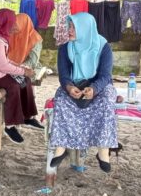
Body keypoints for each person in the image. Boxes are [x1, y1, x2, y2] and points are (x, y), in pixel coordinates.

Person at [49, 13, 118, 172]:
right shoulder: (66, 48)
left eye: (74, 27)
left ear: (85, 28)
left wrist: (93, 89)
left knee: (107, 101)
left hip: (99, 86)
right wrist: (68, 87)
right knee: (60, 99)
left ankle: (103, 151)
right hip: (76, 86)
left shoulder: (103, 47)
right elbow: (64, 75)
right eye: (69, 26)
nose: (70, 30)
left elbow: (105, 76)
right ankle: (61, 147)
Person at [0, 8, 43, 144]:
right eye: (13, 22)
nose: (14, 26)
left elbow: (3, 60)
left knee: (24, 80)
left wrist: (20, 67)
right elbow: (2, 66)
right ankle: (10, 125)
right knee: (13, 86)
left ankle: (28, 116)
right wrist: (23, 71)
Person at [8, 13, 46, 79]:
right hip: (11, 66)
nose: (13, 27)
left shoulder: (35, 39)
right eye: (13, 24)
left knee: (24, 81)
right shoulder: (12, 34)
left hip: (28, 67)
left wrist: (18, 68)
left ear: (24, 24)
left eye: (16, 24)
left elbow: (33, 61)